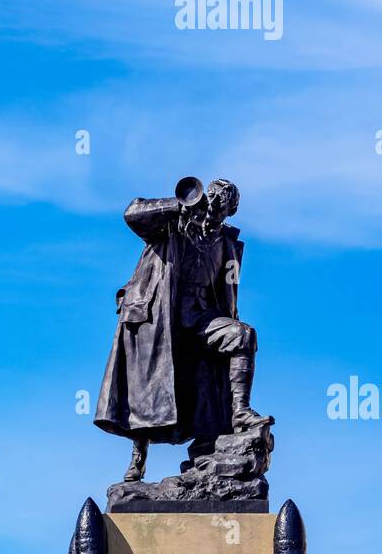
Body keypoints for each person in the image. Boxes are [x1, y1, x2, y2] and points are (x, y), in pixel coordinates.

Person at [94, 178, 268, 482]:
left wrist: (229, 321)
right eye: (211, 197)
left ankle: (239, 410)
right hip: (161, 315)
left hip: (201, 317)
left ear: (231, 210)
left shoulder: (228, 245)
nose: (213, 204)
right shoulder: (173, 224)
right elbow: (132, 213)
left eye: (222, 202)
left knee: (243, 334)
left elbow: (229, 295)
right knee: (146, 387)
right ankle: (139, 456)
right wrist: (179, 204)